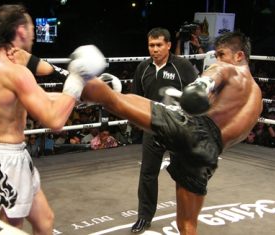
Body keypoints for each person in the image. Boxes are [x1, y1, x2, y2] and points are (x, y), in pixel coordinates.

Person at [79, 31, 262, 235]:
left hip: (193, 128)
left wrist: (199, 86)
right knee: (187, 225)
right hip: (209, 154)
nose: (217, 59)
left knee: (114, 101)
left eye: (221, 54)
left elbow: (216, 73)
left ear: (239, 56)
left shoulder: (229, 69)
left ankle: (78, 81)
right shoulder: (257, 102)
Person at [0, 4, 106, 235]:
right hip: (4, 163)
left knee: (45, 221)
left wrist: (84, 99)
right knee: (9, 230)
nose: (35, 34)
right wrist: (76, 80)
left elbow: (40, 97)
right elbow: (55, 121)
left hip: (11, 155)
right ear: (21, 31)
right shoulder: (15, 72)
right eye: (32, 27)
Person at [130, 27, 197, 233]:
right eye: (151, 45)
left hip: (178, 128)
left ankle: (185, 218)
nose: (155, 49)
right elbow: (136, 98)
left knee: (183, 175)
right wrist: (137, 124)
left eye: (159, 45)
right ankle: (144, 216)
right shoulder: (143, 68)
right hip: (153, 127)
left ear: (168, 45)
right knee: (148, 173)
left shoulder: (183, 66)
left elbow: (197, 95)